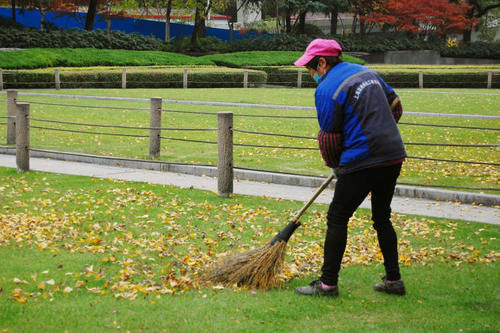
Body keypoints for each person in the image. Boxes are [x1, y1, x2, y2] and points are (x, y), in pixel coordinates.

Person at [293, 39, 407, 297]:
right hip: (393, 155)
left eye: (310, 69)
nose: (311, 74)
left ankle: (327, 284)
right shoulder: (368, 72)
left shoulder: (326, 89)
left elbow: (329, 138)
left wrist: (335, 166)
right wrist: (382, 131)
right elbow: (396, 106)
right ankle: (394, 281)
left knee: (337, 217)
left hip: (362, 159)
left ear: (321, 63)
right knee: (381, 217)